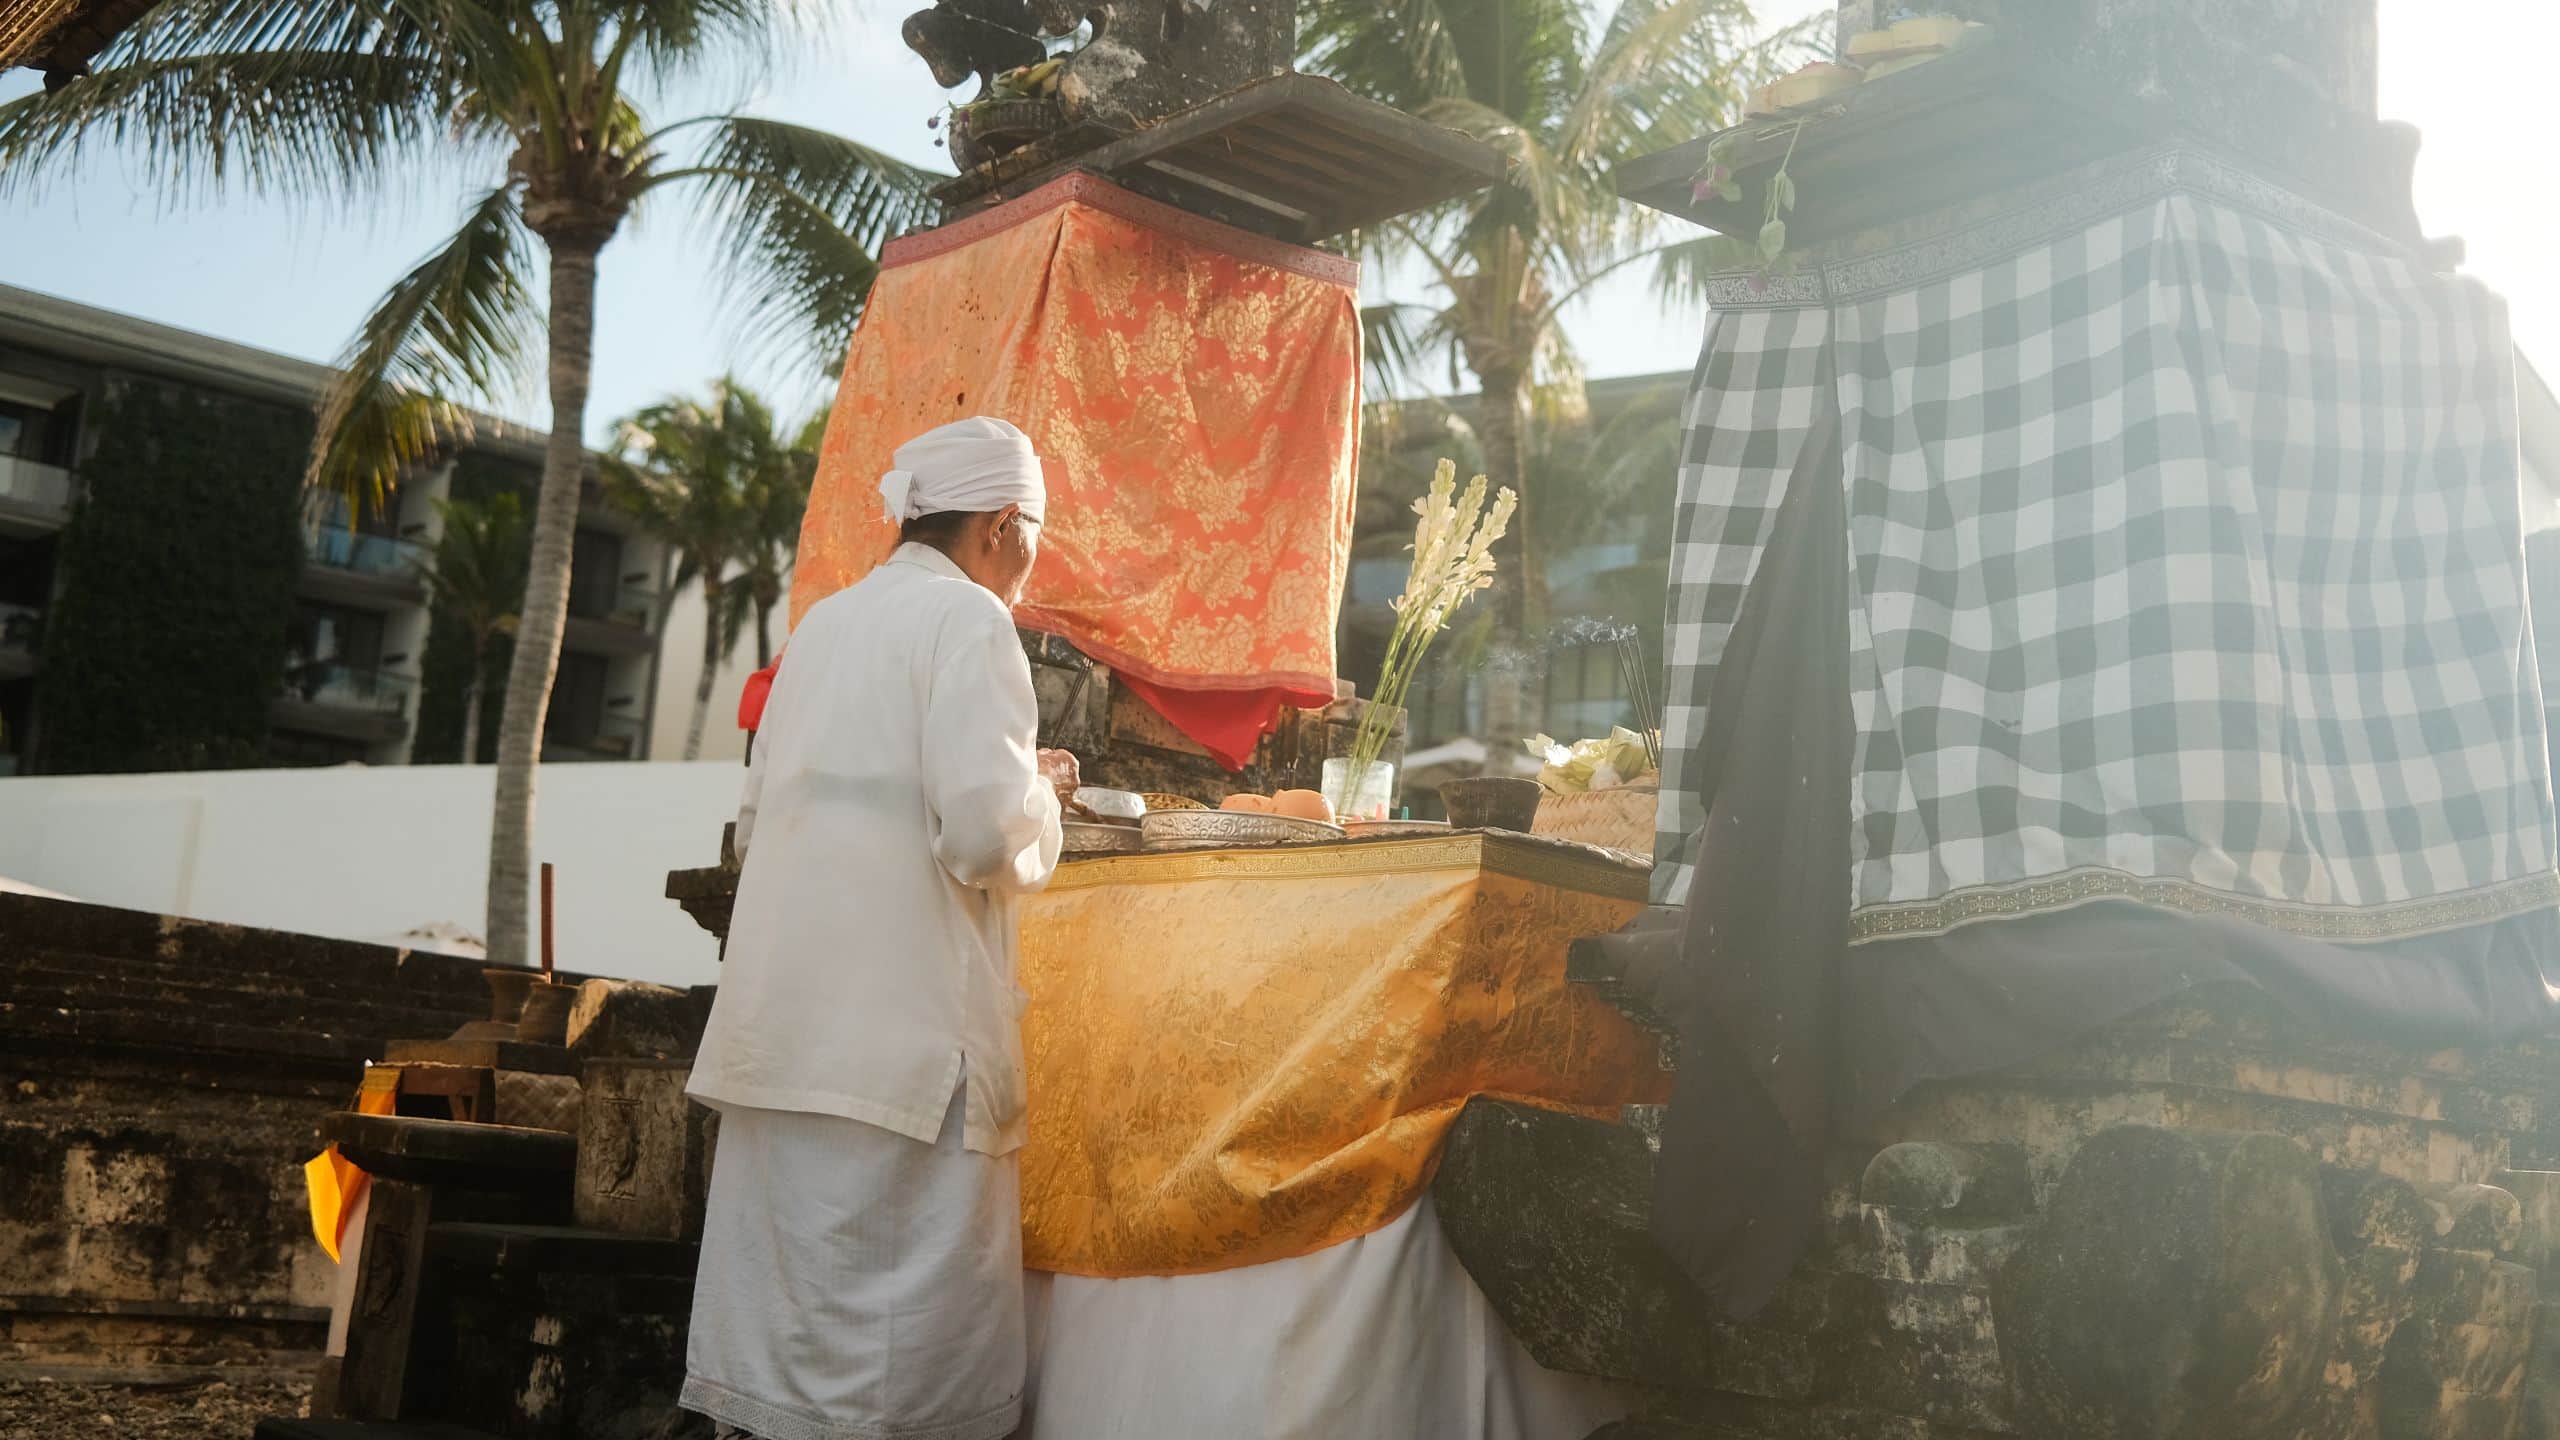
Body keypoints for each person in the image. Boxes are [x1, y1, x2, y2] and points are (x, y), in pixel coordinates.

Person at [681, 415, 1079, 1440]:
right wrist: (1045, 799)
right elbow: (987, 836)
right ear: (999, 524)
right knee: (895, 1378)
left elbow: (763, 814)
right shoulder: (973, 623)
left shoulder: (823, 625)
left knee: (790, 1353)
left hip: (787, 1038)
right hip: (902, 1059)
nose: (1034, 555)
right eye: (1034, 529)